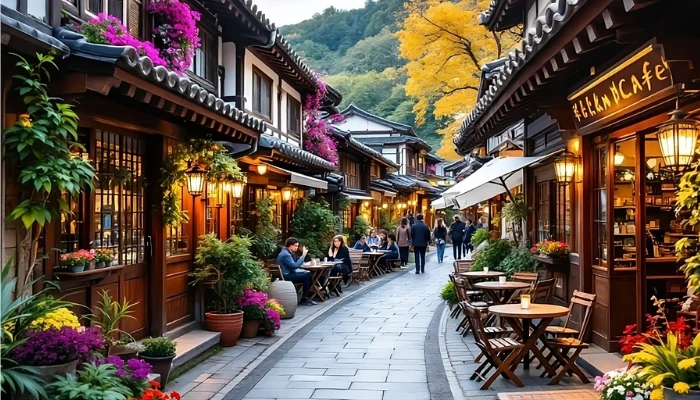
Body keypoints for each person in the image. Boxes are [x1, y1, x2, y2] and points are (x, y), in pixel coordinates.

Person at [276, 238, 316, 305]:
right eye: (296, 246)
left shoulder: (288, 253)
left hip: (288, 273)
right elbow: (294, 266)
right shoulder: (286, 254)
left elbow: (295, 264)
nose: (297, 248)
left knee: (307, 273)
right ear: (291, 245)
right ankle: (304, 298)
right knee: (307, 275)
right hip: (287, 276)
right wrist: (303, 256)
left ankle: (306, 296)